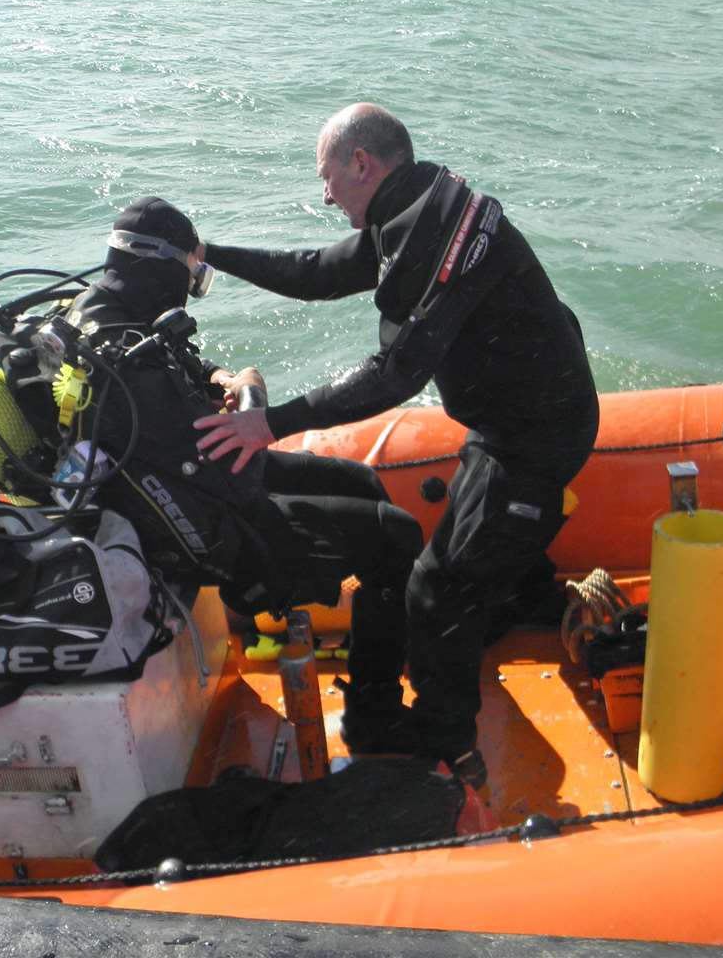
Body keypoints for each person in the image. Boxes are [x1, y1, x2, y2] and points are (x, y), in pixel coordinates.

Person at [193, 104, 600, 783]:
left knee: (434, 592)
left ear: (363, 164)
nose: (325, 195)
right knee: (473, 535)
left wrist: (269, 423)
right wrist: (213, 257)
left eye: (328, 178)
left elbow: (395, 373)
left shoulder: (434, 239)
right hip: (507, 420)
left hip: (537, 432)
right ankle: (519, 596)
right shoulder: (412, 210)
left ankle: (445, 742)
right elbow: (316, 272)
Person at [59, 196, 423, 710]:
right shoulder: (130, 367)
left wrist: (216, 379)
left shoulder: (102, 317)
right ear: (164, 267)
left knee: (357, 481)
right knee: (397, 535)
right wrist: (253, 393)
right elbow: (240, 476)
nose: (189, 292)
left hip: (170, 487)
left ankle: (353, 639)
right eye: (191, 276)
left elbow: (172, 364)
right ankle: (374, 707)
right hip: (202, 526)